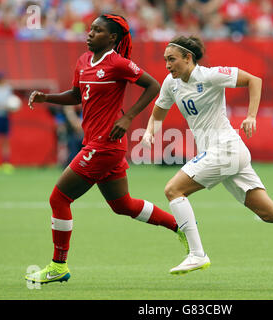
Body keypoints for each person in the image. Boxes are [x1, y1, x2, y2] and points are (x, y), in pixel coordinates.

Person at [141, 36, 273, 275]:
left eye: (172, 59)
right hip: (222, 153)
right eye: (165, 60)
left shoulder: (210, 75)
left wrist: (251, 116)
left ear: (188, 58)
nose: (167, 65)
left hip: (226, 148)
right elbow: (158, 113)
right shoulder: (171, 83)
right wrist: (149, 133)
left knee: (173, 190)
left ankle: (197, 254)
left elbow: (254, 80)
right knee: (270, 213)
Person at [25, 14, 188, 285]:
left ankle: (58, 265)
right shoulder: (83, 61)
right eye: (90, 29)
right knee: (122, 205)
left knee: (59, 199)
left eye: (97, 31)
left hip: (104, 145)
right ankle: (180, 226)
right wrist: (47, 98)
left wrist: (127, 117)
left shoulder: (118, 63)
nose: (90, 34)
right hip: (97, 143)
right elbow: (77, 95)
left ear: (112, 38)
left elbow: (153, 86)